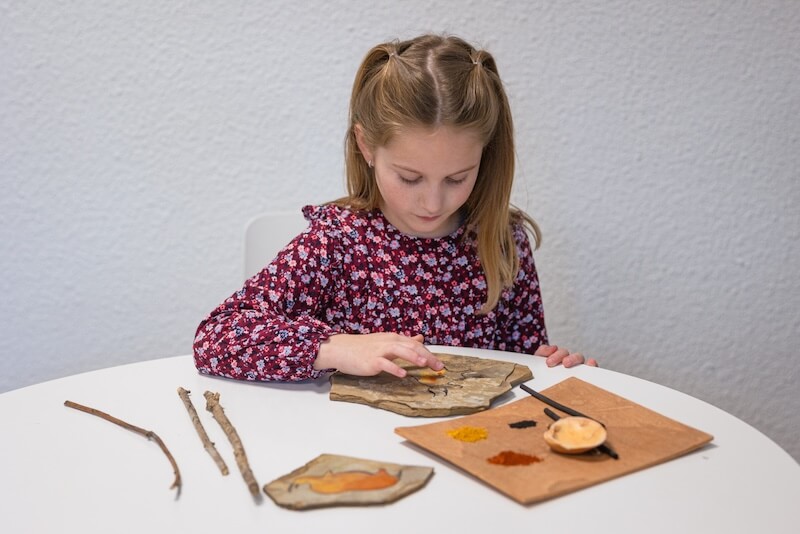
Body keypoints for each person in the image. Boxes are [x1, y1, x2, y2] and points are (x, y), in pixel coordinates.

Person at [193, 33, 597, 383]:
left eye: (457, 178)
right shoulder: (338, 241)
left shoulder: (503, 242)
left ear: (485, 157)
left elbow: (522, 367)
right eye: (409, 177)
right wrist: (334, 347)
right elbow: (217, 336)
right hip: (356, 453)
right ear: (366, 145)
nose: (433, 202)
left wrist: (551, 368)